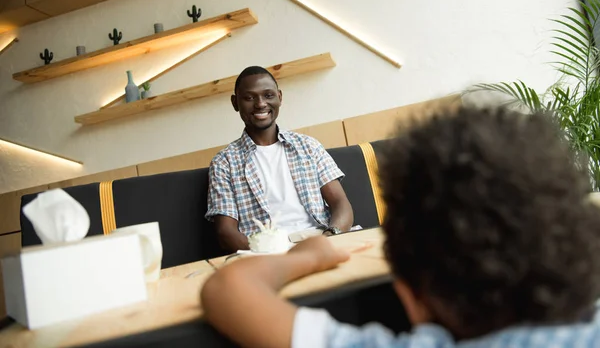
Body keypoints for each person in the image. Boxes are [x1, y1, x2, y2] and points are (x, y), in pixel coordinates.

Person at [201, 107, 600, 347]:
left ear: (409, 296)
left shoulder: (307, 146)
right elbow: (224, 227)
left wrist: (311, 252)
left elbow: (227, 291)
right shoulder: (225, 161)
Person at [205, 66, 354, 252]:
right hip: (266, 251)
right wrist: (269, 255)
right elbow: (225, 232)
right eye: (249, 98)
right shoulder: (224, 163)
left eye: (268, 95)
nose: (260, 104)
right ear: (235, 103)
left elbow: (341, 204)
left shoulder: (308, 146)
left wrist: (328, 238)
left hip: (320, 239)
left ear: (280, 97)